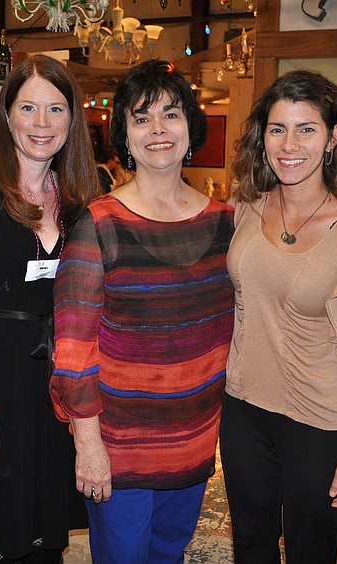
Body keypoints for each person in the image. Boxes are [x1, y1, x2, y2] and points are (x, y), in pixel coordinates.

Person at [50, 59, 235, 563]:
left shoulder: (226, 223)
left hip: (195, 443)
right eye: (141, 118)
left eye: (171, 115)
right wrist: (88, 446)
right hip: (120, 451)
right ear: (124, 139)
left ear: (190, 129)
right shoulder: (98, 223)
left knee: (169, 556)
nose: (158, 129)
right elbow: (72, 350)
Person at [220, 69, 337, 563]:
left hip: (319, 422)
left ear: (333, 136)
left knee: (311, 552)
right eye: (277, 129)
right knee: (250, 545)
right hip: (243, 408)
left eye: (306, 129)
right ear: (263, 137)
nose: (289, 144)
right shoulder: (246, 208)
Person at [0, 54, 98, 564]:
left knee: (45, 531)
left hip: (54, 387)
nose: (42, 123)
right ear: (6, 115)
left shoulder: (79, 197)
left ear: (72, 119)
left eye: (55, 109)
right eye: (28, 107)